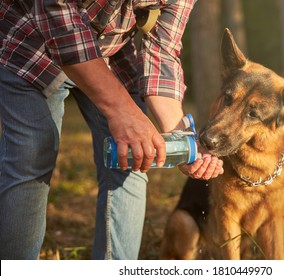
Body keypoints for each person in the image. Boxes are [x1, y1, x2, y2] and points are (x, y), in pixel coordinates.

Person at [0, 0, 223, 260]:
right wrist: (122, 111)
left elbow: (163, 51)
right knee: (33, 153)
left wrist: (182, 140)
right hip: (30, 40)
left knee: (134, 158)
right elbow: (57, 14)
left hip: (107, 51)